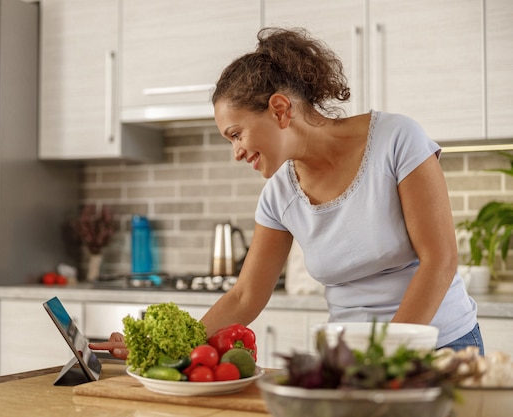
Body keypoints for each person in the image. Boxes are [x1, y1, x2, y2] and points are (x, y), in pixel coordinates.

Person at [90, 27, 484, 359]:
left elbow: (440, 260)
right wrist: (162, 347)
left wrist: (388, 357)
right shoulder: (279, 196)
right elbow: (244, 297)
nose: (236, 152)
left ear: (280, 110)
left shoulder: (397, 140)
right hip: (353, 361)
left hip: (440, 347)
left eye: (236, 134)